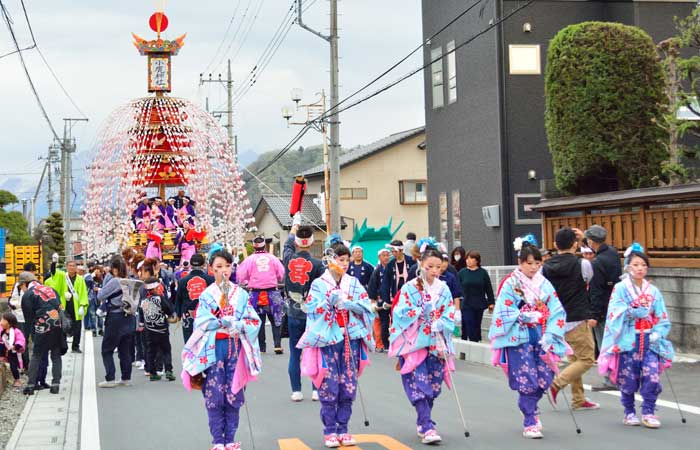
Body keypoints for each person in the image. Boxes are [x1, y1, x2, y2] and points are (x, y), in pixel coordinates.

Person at [181, 250, 262, 450]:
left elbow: (254, 320)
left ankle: (231, 439)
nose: (223, 271)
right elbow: (200, 322)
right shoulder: (207, 295)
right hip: (214, 348)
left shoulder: (241, 294)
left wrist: (241, 325)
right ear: (211, 269)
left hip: (235, 347)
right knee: (214, 394)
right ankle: (218, 440)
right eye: (218, 267)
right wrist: (219, 321)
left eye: (227, 266)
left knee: (234, 393)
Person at [488, 239, 568, 439]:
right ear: (520, 262)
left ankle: (530, 406)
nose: (533, 267)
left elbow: (556, 310)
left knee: (544, 377)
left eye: (537, 263)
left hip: (541, 335)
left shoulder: (545, 284)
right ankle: (530, 419)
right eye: (529, 263)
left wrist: (550, 334)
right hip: (520, 337)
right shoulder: (511, 283)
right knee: (527, 377)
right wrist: (520, 315)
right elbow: (504, 310)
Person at [298, 241, 374, 448]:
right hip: (329, 338)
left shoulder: (354, 283)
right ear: (331, 261)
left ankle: (344, 428)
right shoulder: (319, 284)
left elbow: (367, 306)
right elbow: (311, 309)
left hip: (350, 337)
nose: (345, 264)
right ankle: (330, 430)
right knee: (329, 384)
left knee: (348, 384)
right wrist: (327, 303)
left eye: (347, 260)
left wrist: (351, 304)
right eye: (341, 260)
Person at [598, 245, 674, 429]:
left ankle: (648, 411)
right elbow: (614, 312)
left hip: (649, 338)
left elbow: (662, 316)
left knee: (652, 375)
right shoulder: (620, 288)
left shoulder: (653, 291)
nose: (640, 268)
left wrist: (658, 332)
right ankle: (629, 411)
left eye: (643, 265)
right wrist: (631, 312)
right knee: (628, 377)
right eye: (636, 264)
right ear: (628, 267)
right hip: (627, 340)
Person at [389, 243, 456, 445]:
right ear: (421, 264)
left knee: (434, 385)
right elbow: (400, 312)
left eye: (438, 266)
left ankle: (423, 419)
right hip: (415, 342)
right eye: (430, 266)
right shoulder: (410, 287)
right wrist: (419, 313)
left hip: (436, 341)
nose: (434, 271)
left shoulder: (443, 288)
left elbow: (449, 313)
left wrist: (441, 322)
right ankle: (427, 425)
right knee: (420, 383)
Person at [542, 228, 599, 411]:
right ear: (574, 244)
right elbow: (590, 277)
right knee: (587, 358)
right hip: (576, 317)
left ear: (554, 245)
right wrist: (584, 242)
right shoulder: (582, 264)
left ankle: (579, 398)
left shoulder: (545, 267)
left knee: (576, 359)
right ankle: (557, 383)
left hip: (556, 320)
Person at [283, 217, 324, 402]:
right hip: (313, 314)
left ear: (298, 242)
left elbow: (287, 245)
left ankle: (295, 390)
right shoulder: (318, 264)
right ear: (313, 241)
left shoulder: (288, 259)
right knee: (314, 351)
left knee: (295, 352)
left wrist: (293, 229)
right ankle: (316, 389)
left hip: (293, 311)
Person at [583, 225, 623, 392]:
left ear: (591, 241)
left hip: (602, 310)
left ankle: (610, 379)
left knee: (604, 345)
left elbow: (596, 290)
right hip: (616, 306)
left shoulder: (597, 262)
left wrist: (593, 314)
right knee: (616, 343)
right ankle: (620, 377)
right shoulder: (613, 254)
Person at [97, 256, 142, 388]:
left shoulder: (115, 281)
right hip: (129, 317)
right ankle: (125, 378)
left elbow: (100, 296)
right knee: (125, 350)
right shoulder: (131, 281)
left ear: (115, 269)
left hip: (115, 318)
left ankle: (110, 378)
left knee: (107, 349)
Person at [237, 235, 286, 354]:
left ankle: (262, 348)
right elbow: (281, 273)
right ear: (265, 245)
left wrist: (246, 281)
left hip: (255, 292)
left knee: (259, 320)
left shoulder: (249, 260)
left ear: (254, 247)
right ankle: (277, 345)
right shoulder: (273, 258)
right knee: (276, 319)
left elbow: (241, 276)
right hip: (272, 292)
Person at [19, 271, 63, 395]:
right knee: (55, 354)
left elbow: (29, 319)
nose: (21, 290)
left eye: (20, 287)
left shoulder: (28, 294)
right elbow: (60, 307)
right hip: (57, 323)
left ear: (25, 284)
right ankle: (55, 384)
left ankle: (31, 385)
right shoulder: (51, 289)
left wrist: (28, 336)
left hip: (41, 325)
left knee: (36, 354)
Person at [45, 260, 89, 353]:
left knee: (77, 327)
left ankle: (75, 347)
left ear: (76, 267)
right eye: (69, 266)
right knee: (64, 326)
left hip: (76, 306)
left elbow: (83, 293)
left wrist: (82, 305)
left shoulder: (80, 279)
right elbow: (53, 272)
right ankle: (63, 346)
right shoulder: (62, 276)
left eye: (73, 266)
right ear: (66, 267)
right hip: (64, 305)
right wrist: (53, 262)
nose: (71, 267)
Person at [379, 240, 415, 353]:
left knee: (410, 319)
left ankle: (409, 341)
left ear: (401, 250)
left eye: (394, 251)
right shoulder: (390, 265)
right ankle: (397, 342)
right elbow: (385, 283)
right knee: (396, 320)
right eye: (392, 251)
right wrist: (385, 300)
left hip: (410, 296)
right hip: (395, 296)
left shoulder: (411, 261)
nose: (393, 253)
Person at [140, 276, 176, 381]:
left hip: (149, 330)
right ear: (156, 288)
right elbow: (168, 310)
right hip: (162, 329)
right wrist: (170, 316)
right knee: (166, 350)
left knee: (151, 351)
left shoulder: (143, 301)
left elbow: (142, 317)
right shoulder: (160, 298)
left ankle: (153, 373)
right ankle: (168, 370)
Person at [175, 254, 214, 343]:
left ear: (191, 264)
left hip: (188, 315)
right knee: (205, 343)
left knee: (189, 342)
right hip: (206, 316)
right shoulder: (211, 280)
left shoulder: (182, 281)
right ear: (204, 264)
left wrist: (178, 314)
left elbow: (178, 299)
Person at [457, 250, 495, 342]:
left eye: (471, 258)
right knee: (468, 323)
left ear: (476, 261)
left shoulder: (483, 273)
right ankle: (472, 342)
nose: (468, 260)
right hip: (466, 303)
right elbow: (457, 288)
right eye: (467, 259)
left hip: (479, 303)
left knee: (477, 325)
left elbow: (488, 288)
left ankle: (475, 342)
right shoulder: (462, 272)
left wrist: (491, 303)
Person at [367, 248, 391, 351]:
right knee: (384, 322)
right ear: (379, 257)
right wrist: (373, 300)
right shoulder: (377, 271)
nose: (386, 257)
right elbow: (372, 286)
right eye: (384, 255)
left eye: (387, 255)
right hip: (382, 300)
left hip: (393, 298)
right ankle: (384, 344)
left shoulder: (392, 268)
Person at [1, 312, 26, 389]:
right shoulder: (1, 331)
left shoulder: (16, 331)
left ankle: (17, 379)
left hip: (13, 351)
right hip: (4, 349)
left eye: (3, 320)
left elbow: (21, 339)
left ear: (9, 322)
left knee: (13, 366)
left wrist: (16, 346)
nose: (1, 321)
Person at [86, 265, 105, 337]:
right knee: (92, 315)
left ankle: (100, 329)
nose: (98, 273)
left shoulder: (102, 279)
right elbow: (86, 281)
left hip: (100, 299)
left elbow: (105, 288)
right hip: (91, 299)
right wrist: (93, 275)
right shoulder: (90, 278)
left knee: (100, 315)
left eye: (99, 271)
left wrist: (99, 289)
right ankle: (94, 330)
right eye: (96, 271)